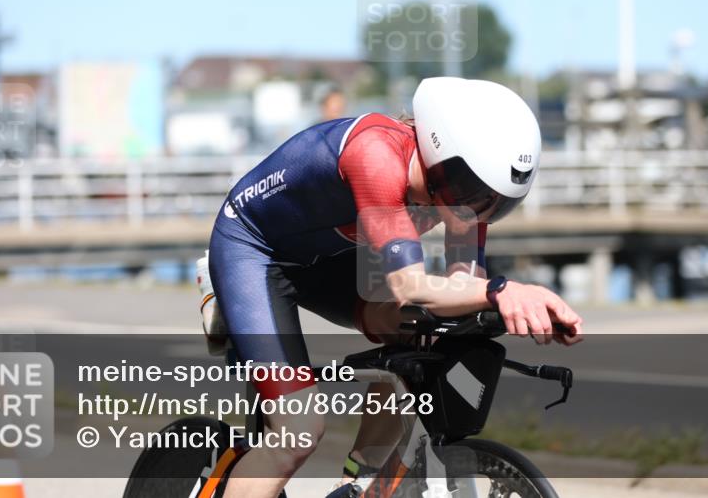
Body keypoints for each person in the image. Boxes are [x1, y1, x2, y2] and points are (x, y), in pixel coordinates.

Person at [199, 77, 583, 497]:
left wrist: (519, 308)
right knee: (297, 434)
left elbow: (463, 289)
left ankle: (358, 479)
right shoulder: (377, 154)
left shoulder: (460, 192)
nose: (476, 209)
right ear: (439, 157)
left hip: (332, 258)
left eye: (495, 203)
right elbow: (410, 286)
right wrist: (502, 291)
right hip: (255, 251)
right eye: (472, 192)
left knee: (419, 335)